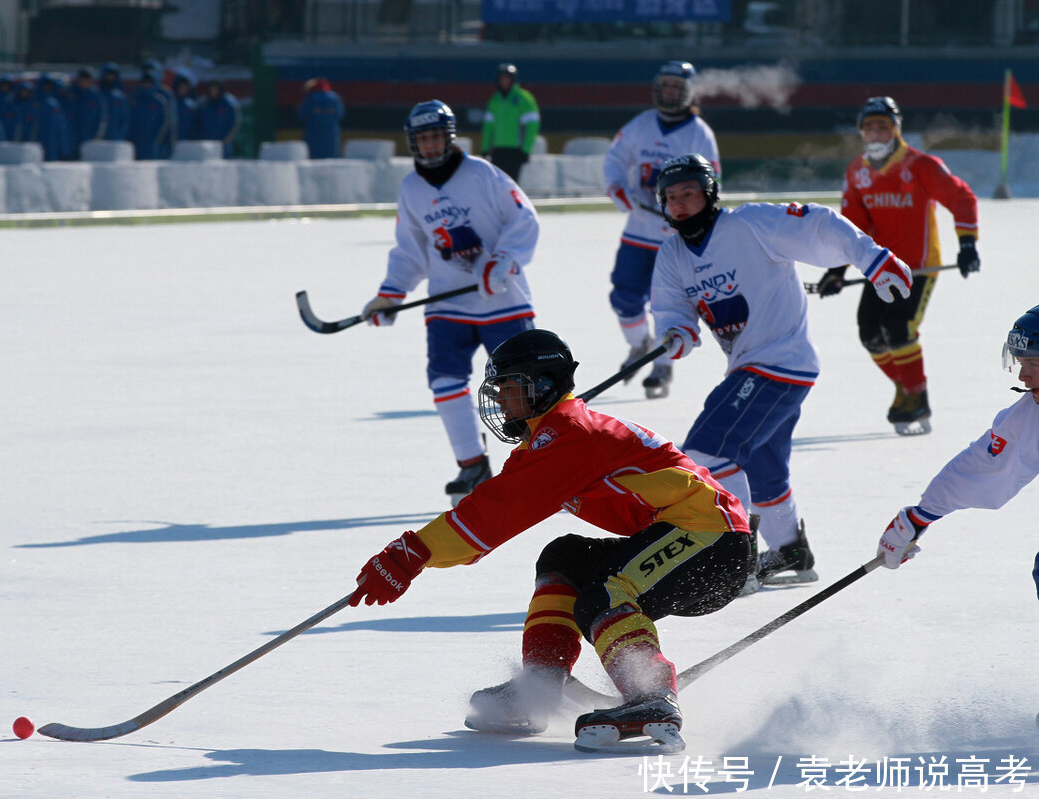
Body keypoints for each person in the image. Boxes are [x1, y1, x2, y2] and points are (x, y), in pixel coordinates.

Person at [349, 328, 752, 749]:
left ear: (541, 386)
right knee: (566, 557)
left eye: (508, 387)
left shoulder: (570, 434)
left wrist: (413, 553)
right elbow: (496, 506)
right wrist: (418, 554)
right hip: (689, 536)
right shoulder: (549, 439)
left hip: (712, 541)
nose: (500, 400)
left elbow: (494, 513)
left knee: (605, 594)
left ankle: (651, 697)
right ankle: (542, 683)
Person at [650, 153, 914, 586]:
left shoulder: (749, 224)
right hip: (756, 368)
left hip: (779, 363)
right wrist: (676, 330)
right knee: (761, 465)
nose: (680, 203)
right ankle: (792, 552)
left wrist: (872, 259)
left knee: (708, 450)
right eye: (671, 197)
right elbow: (670, 304)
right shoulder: (672, 255)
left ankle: (735, 562)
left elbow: (819, 225)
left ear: (709, 193)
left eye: (689, 194)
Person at [361, 100, 540, 505]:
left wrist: (503, 260)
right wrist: (391, 292)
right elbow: (411, 249)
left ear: (449, 136)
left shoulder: (482, 172)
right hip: (448, 305)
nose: (429, 145)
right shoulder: (411, 189)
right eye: (421, 139)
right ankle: (471, 464)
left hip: (503, 302)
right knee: (444, 380)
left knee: (522, 389)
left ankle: (549, 463)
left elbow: (524, 219)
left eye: (435, 136)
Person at [818, 96, 980, 436]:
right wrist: (837, 270)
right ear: (862, 133)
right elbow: (853, 227)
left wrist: (967, 244)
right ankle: (906, 388)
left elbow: (961, 197)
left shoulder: (922, 165)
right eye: (869, 128)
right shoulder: (857, 172)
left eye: (883, 127)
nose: (876, 133)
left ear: (895, 130)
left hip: (919, 267)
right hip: (879, 266)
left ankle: (916, 396)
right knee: (869, 331)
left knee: (898, 326)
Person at [877, 304, 1039, 601]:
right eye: (1020, 363)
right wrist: (920, 517)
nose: (1022, 377)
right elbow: (984, 466)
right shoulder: (1029, 414)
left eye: (1034, 365)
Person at [602, 61, 720, 400]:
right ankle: (639, 345)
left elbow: (714, 181)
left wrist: (691, 215)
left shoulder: (700, 133)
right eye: (664, 85)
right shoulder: (640, 125)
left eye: (675, 86)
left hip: (674, 238)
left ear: (687, 92)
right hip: (638, 230)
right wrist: (617, 187)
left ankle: (663, 365)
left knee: (666, 304)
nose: (669, 92)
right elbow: (614, 159)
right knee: (623, 298)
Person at [480, 63, 540, 182]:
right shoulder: (495, 100)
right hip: (497, 150)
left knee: (511, 185)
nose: (504, 82)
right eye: (502, 78)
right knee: (497, 184)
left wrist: (526, 150)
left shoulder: (523, 99)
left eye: (507, 78)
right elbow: (488, 127)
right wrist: (485, 148)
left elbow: (532, 126)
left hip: (515, 151)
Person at [297, 77, 344, 159]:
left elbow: (302, 114)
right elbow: (340, 114)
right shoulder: (335, 98)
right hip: (331, 133)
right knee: (331, 158)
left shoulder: (310, 98)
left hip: (312, 133)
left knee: (312, 158)